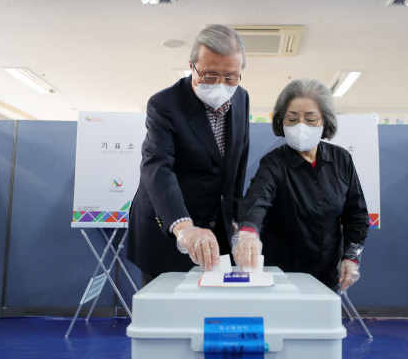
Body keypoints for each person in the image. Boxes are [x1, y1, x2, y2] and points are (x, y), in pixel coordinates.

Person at [126, 25, 250, 286]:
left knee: (210, 313)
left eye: (230, 77)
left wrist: (236, 219)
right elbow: (158, 168)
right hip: (169, 226)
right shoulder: (164, 105)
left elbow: (237, 165)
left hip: (217, 229)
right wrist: (184, 228)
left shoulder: (241, 98)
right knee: (167, 316)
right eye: (210, 75)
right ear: (191, 65)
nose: (220, 85)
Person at [232, 78, 369, 293]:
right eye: (292, 119)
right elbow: (257, 198)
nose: (301, 126)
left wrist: (351, 258)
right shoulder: (274, 163)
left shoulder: (341, 160)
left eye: (310, 119)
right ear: (282, 121)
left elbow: (357, 216)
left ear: (324, 121)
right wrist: (248, 232)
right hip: (282, 277)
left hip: (326, 277)